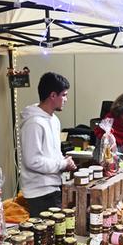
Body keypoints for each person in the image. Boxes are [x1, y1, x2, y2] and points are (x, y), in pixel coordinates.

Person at [19, 72, 76, 217]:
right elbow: (33, 161)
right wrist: (62, 164)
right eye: (64, 95)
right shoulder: (34, 123)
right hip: (40, 192)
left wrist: (64, 162)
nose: (66, 99)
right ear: (52, 95)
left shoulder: (54, 120)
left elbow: (50, 154)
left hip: (53, 187)